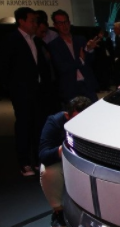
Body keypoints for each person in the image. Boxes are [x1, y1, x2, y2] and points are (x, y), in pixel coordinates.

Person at [0, 7, 55, 176]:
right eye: (32, 20)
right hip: (21, 92)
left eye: (36, 21)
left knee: (38, 125)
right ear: (21, 21)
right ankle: (24, 162)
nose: (35, 24)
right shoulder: (11, 40)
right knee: (24, 125)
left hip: (38, 90)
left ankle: (37, 159)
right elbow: (5, 66)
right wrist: (12, 89)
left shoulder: (36, 40)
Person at [38, 96, 92, 227]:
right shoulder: (54, 122)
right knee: (48, 172)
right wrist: (64, 148)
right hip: (65, 160)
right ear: (67, 116)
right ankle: (58, 212)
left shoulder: (97, 123)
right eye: (77, 119)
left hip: (88, 163)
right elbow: (44, 155)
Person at [47, 9, 100, 103]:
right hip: (70, 87)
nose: (64, 26)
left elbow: (90, 61)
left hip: (87, 83)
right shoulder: (54, 45)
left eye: (66, 22)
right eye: (60, 23)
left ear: (69, 22)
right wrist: (80, 60)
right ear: (55, 25)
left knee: (94, 108)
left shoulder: (80, 39)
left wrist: (89, 49)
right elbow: (62, 67)